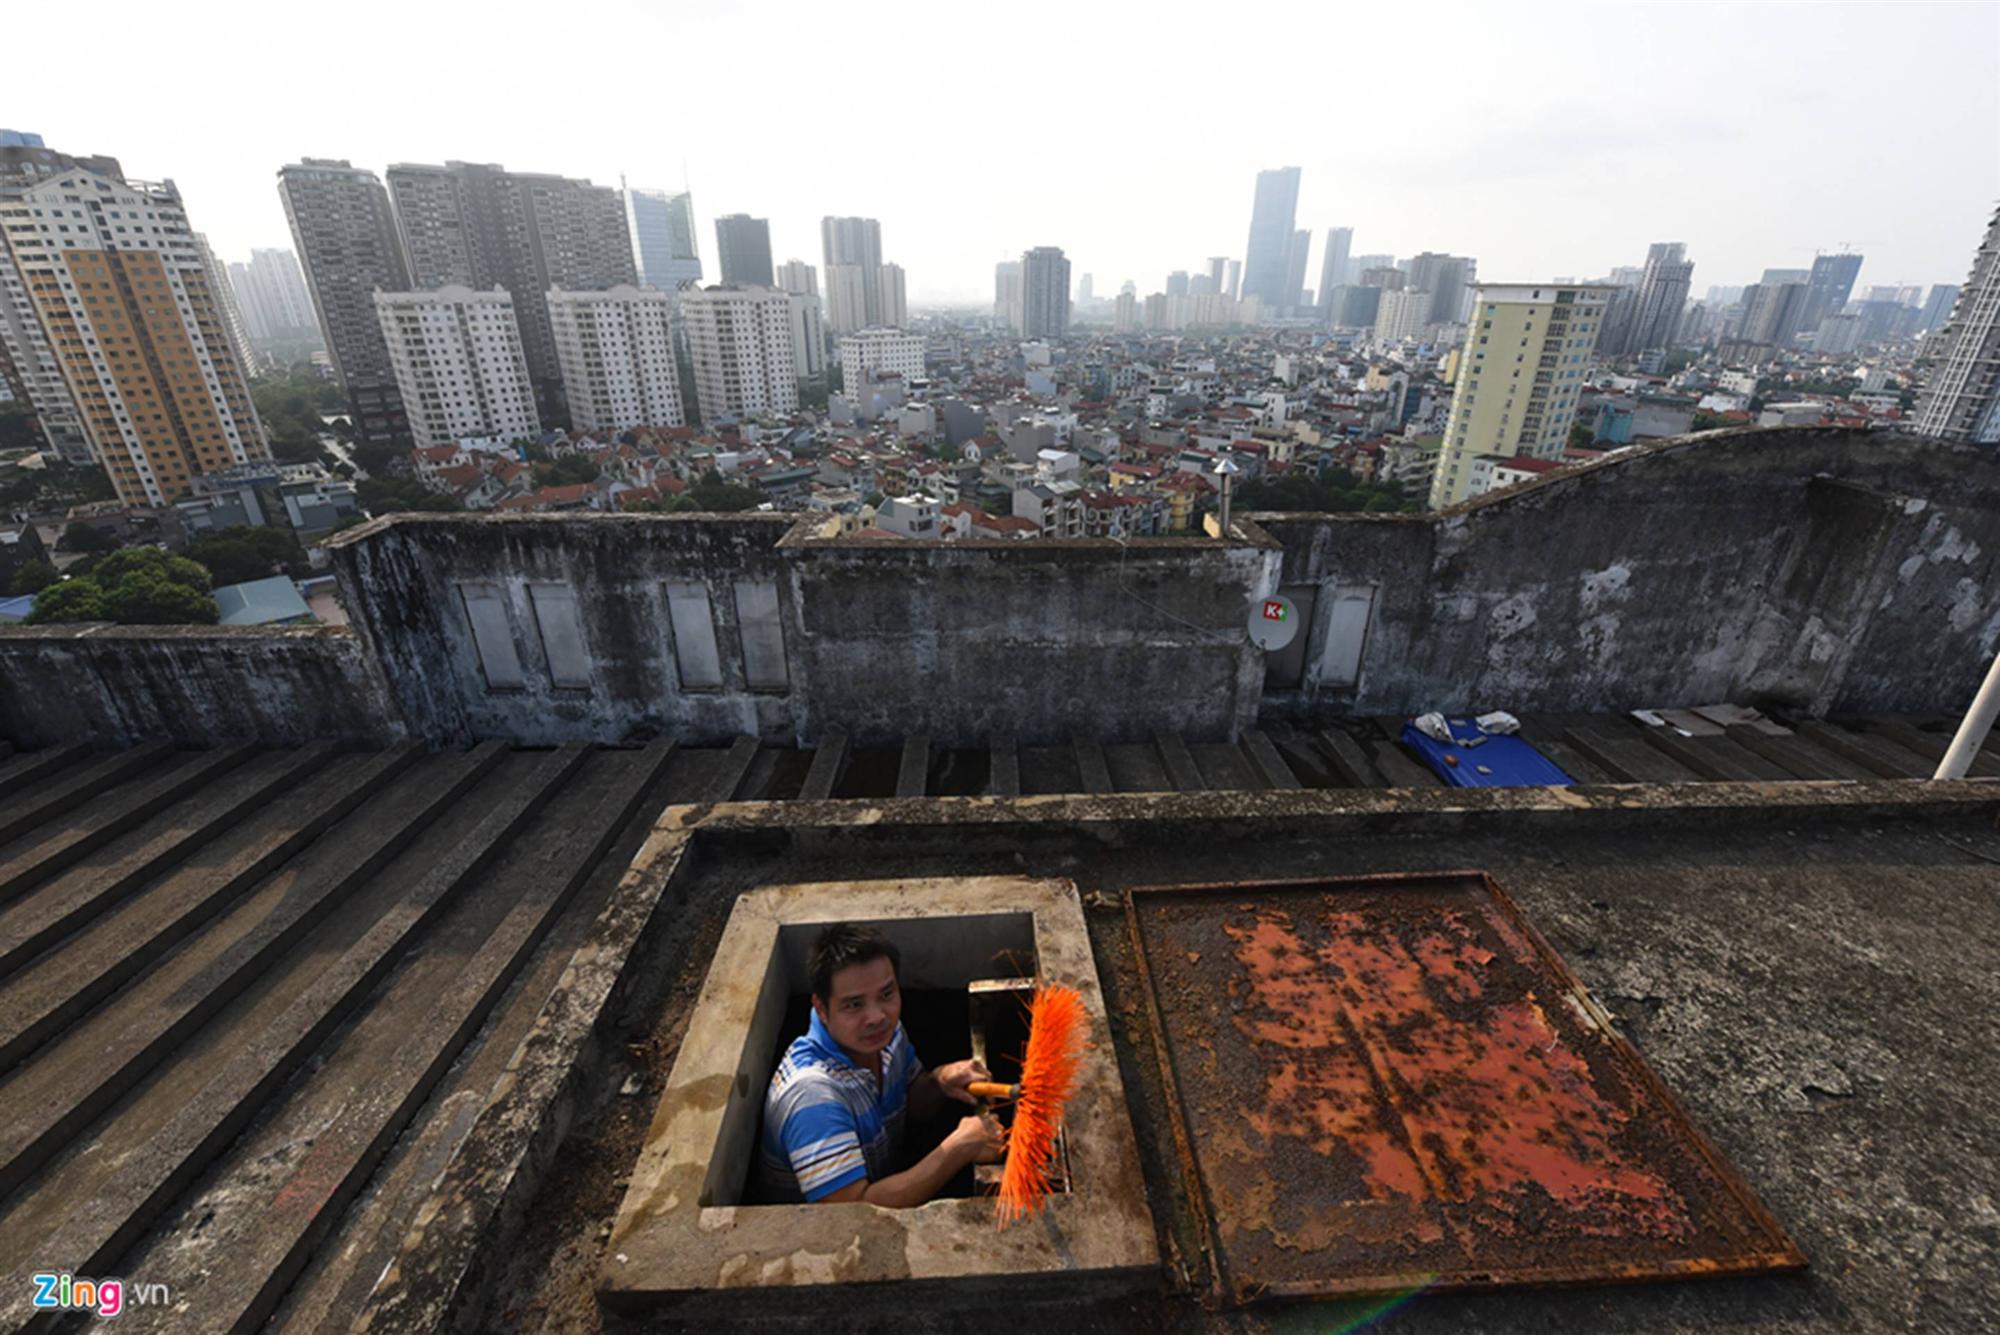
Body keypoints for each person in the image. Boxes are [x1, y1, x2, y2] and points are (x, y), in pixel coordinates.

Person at [759, 923, 1004, 1205]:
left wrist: (939, 1081)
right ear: (821, 1009)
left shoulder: (886, 1036)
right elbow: (854, 1210)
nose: (876, 1016)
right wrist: (959, 1148)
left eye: (886, 994)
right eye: (854, 1005)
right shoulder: (811, 1096)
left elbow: (908, 1104)